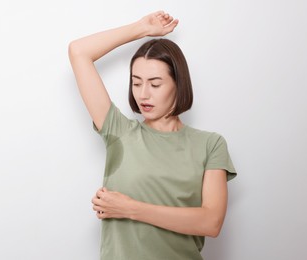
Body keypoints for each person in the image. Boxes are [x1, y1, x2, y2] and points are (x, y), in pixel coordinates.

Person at [68, 10, 237, 260]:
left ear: (178, 84)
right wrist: (141, 28)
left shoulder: (210, 144)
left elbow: (211, 222)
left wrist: (130, 209)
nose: (143, 94)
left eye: (155, 84)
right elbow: (78, 52)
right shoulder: (119, 132)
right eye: (136, 83)